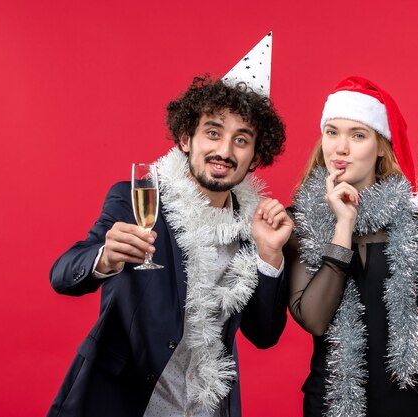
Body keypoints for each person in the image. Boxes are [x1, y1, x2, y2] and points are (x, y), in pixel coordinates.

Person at [48, 34, 291, 417]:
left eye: (240, 140)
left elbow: (263, 335)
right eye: (213, 133)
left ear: (255, 156)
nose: (224, 152)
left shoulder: (256, 226)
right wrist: (104, 258)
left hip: (207, 408)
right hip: (122, 403)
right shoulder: (136, 199)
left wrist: (270, 255)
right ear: (184, 138)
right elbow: (62, 275)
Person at [285, 76, 418, 417]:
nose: (340, 148)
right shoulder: (300, 219)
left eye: (357, 135)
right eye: (332, 132)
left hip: (412, 400)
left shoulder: (409, 213)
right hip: (332, 401)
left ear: (381, 146)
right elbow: (315, 319)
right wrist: (343, 225)